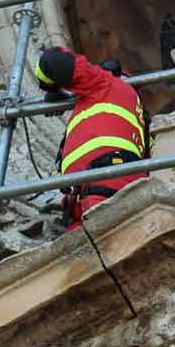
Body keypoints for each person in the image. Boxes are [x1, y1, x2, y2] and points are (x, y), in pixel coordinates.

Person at [36, 44, 149, 232]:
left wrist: (53, 91)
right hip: (90, 194)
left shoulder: (104, 83)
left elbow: (51, 61)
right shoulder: (138, 119)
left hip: (102, 182)